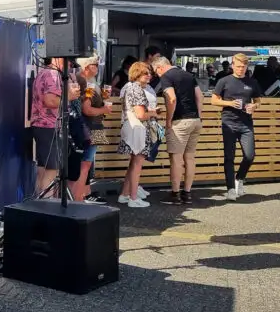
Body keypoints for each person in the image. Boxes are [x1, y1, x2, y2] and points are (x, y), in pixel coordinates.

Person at [153, 56, 202, 205]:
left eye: (156, 72)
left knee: (176, 159)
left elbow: (172, 99)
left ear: (160, 67)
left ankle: (175, 194)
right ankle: (187, 193)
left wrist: (169, 119)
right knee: (190, 158)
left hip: (179, 121)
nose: (157, 75)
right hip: (195, 120)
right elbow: (199, 97)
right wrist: (199, 116)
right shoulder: (188, 75)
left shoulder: (167, 77)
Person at [211, 53, 261, 200]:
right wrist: (229, 103)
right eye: (238, 66)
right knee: (229, 157)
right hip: (229, 123)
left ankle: (239, 178)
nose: (241, 69)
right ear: (232, 65)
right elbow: (214, 100)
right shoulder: (224, 81)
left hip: (246, 123)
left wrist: (254, 106)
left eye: (244, 67)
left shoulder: (252, 82)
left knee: (250, 155)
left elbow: (258, 100)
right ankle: (231, 189)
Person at [30, 57, 80, 198]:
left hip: (43, 126)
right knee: (52, 170)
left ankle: (40, 204)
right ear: (58, 58)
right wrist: (69, 96)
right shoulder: (52, 74)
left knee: (43, 169)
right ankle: (47, 206)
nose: (70, 66)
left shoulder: (44, 72)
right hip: (49, 126)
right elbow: (50, 100)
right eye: (69, 62)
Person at [73, 56, 113, 204]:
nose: (98, 67)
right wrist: (104, 108)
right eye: (95, 64)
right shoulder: (87, 84)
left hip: (93, 126)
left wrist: (102, 97)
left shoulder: (90, 83)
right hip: (90, 126)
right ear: (86, 67)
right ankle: (79, 197)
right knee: (86, 161)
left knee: (88, 161)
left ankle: (86, 193)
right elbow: (87, 109)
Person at [116, 61, 156, 208]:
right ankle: (133, 198)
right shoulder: (137, 89)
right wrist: (154, 113)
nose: (149, 75)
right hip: (137, 128)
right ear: (137, 73)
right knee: (137, 164)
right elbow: (140, 114)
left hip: (130, 126)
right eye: (145, 73)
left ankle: (125, 195)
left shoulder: (129, 87)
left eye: (149, 73)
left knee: (133, 163)